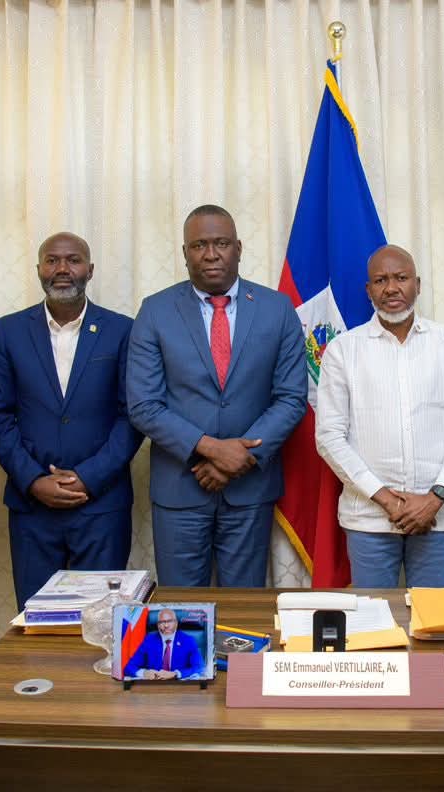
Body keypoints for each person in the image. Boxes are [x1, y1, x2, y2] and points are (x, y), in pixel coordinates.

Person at [126, 205, 306, 586]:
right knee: (181, 608)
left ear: (238, 248)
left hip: (249, 488)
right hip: (180, 487)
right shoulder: (155, 311)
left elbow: (291, 398)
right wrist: (210, 448)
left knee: (243, 610)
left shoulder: (277, 309)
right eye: (199, 245)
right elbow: (143, 404)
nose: (211, 254)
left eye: (221, 243)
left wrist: (241, 457)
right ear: (185, 252)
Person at [314, 245, 444, 587]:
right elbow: (329, 436)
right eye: (381, 280)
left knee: (431, 615)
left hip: (437, 515)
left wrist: (434, 498)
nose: (391, 288)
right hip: (369, 518)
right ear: (369, 290)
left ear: (417, 285)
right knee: (374, 616)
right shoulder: (343, 351)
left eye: (401, 278)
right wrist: (385, 498)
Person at [0, 232, 143, 609]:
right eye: (52, 260)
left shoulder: (122, 330)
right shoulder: (8, 331)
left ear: (90, 270)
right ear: (38, 269)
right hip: (33, 508)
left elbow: (132, 415)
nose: (62, 269)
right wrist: (33, 480)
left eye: (73, 260)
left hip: (101, 505)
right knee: (38, 619)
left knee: (103, 620)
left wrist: (88, 477)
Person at [121, 609, 206, 680]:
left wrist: (175, 674)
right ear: (158, 625)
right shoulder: (149, 640)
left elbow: (199, 668)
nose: (166, 625)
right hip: (155, 687)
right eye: (162, 622)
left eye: (170, 621)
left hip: (179, 687)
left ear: (176, 623)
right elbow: (129, 667)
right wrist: (144, 673)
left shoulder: (188, 641)